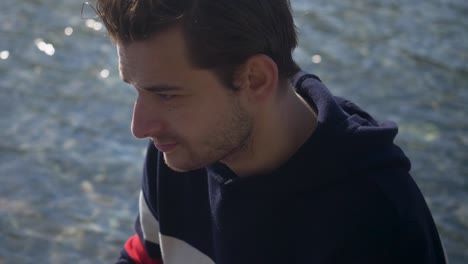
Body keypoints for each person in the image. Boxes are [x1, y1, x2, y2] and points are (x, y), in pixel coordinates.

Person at [91, 0, 447, 263]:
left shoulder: (380, 225)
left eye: (166, 94)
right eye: (136, 90)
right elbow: (145, 258)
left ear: (255, 79)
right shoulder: (179, 151)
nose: (140, 127)